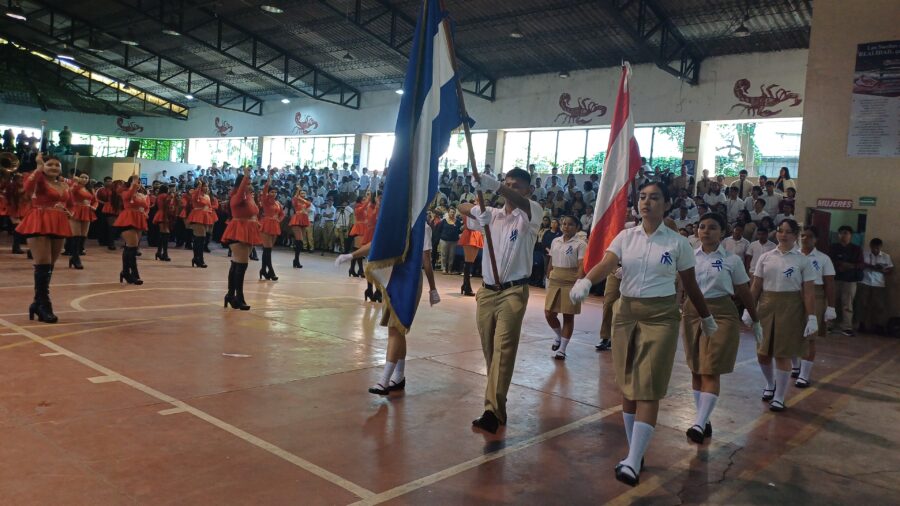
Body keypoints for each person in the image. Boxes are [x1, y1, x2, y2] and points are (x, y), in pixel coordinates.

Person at [569, 181, 717, 486]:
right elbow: (608, 263)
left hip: (661, 317)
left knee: (647, 386)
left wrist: (706, 317)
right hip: (626, 315)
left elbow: (690, 285)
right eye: (643, 197)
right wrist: (586, 281)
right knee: (629, 385)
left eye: (655, 198)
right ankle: (634, 450)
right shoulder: (626, 236)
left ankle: (634, 460)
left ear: (667, 204)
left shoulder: (678, 243)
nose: (647, 202)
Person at [457, 168, 543, 435]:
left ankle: (491, 411)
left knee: (503, 349)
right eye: (507, 184)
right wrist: (476, 210)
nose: (510, 189)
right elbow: (460, 207)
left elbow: (518, 202)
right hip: (487, 292)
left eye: (516, 186)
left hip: (513, 292)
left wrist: (495, 186)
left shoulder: (531, 213)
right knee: (490, 351)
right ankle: (497, 405)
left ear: (528, 190)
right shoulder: (491, 215)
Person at [334, 222, 441, 395]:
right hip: (393, 278)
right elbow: (377, 243)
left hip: (410, 280)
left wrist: (433, 289)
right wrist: (351, 255)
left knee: (396, 328)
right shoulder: (398, 220)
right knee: (398, 328)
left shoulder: (423, 227)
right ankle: (398, 376)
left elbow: (426, 260)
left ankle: (384, 380)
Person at [683, 213, 761, 443]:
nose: (706, 231)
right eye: (702, 227)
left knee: (711, 367)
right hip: (692, 312)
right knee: (696, 368)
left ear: (722, 232)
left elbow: (744, 291)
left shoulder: (732, 260)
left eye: (712, 227)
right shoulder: (688, 257)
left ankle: (698, 424)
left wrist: (755, 319)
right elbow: (680, 284)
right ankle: (703, 419)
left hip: (721, 313)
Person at [750, 219, 817, 412]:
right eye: (780, 231)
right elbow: (756, 286)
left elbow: (808, 292)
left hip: (791, 308)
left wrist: (812, 317)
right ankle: (770, 384)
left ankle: (779, 396)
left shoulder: (802, 260)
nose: (783, 235)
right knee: (762, 353)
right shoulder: (766, 257)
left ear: (795, 235)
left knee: (782, 353)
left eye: (788, 232)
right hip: (766, 306)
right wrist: (749, 309)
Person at [15, 154, 72, 323]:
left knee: (50, 265)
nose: (54, 167)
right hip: (39, 220)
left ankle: (37, 303)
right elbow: (27, 188)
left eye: (57, 165)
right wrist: (38, 168)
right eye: (50, 164)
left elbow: (70, 203)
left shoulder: (64, 184)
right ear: (43, 166)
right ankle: (45, 305)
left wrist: (69, 211)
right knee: (43, 264)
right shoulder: (38, 180)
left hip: (58, 222)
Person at [791, 226, 837, 387]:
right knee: (792, 334)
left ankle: (804, 375)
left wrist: (831, 307)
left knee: (809, 336)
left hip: (815, 296)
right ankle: (795, 366)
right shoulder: (792, 255)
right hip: (794, 295)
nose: (805, 239)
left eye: (809, 236)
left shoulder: (823, 259)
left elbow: (830, 284)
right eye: (802, 235)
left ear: (815, 240)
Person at [545, 216, 586, 360]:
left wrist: (579, 282)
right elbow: (551, 260)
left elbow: (581, 265)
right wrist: (547, 276)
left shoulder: (580, 244)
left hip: (570, 281)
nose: (566, 227)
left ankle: (562, 349)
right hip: (555, 279)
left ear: (577, 227)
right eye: (564, 224)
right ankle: (558, 335)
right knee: (549, 313)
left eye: (570, 224)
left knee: (568, 316)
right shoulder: (555, 241)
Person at [221, 167, 261, 310]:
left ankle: (231, 295)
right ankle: (239, 297)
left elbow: (254, 212)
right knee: (241, 265)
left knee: (237, 264)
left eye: (250, 183)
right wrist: (245, 176)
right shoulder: (236, 197)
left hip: (248, 231)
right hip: (238, 231)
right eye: (247, 183)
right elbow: (240, 193)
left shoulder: (249, 197)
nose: (250, 185)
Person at [112, 175, 149, 285]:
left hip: (139, 220)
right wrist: (133, 186)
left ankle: (126, 272)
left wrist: (145, 213)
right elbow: (127, 197)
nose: (138, 184)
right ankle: (133, 274)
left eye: (139, 182)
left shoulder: (141, 195)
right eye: (135, 182)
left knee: (132, 247)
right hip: (127, 219)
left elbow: (146, 206)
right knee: (132, 246)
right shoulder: (125, 192)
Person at [829, 225, 864, 336]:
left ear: (850, 235)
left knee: (847, 304)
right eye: (841, 233)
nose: (843, 235)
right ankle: (829, 324)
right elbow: (828, 261)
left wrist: (850, 266)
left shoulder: (856, 249)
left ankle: (847, 327)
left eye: (846, 233)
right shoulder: (833, 247)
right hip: (835, 279)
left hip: (850, 280)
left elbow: (861, 264)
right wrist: (839, 264)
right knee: (832, 303)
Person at [857, 238, 893, 334]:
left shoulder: (886, 256)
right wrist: (871, 266)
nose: (875, 250)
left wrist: (883, 270)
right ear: (870, 246)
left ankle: (877, 326)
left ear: (881, 247)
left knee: (879, 306)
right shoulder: (865, 254)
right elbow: (860, 265)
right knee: (863, 304)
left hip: (879, 283)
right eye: (873, 248)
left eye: (877, 248)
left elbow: (890, 269)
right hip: (865, 282)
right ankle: (861, 324)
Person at [66, 173, 97, 270]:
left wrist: (94, 207)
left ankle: (75, 256)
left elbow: (95, 200)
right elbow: (69, 194)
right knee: (76, 235)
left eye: (86, 177)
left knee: (83, 236)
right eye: (82, 177)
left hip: (87, 211)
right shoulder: (75, 186)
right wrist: (75, 183)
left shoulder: (90, 189)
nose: (84, 179)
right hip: (76, 210)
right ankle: (75, 258)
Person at [259, 172, 284, 280]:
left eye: (275, 192)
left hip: (275, 225)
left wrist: (279, 220)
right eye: (272, 192)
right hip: (266, 224)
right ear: (268, 193)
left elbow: (282, 214)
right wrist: (268, 182)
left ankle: (263, 270)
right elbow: (264, 191)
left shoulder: (278, 203)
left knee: (268, 250)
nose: (274, 193)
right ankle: (271, 271)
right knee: (267, 249)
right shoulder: (265, 200)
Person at [187, 180, 216, 268]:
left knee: (200, 239)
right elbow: (195, 197)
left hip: (205, 216)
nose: (206, 188)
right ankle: (199, 259)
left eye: (207, 186)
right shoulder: (196, 194)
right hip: (197, 216)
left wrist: (209, 212)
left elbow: (210, 206)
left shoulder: (207, 196)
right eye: (204, 186)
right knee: (200, 238)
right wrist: (199, 187)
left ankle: (196, 258)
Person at [458, 212, 484, 296]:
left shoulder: (479, 211)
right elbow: (467, 225)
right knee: (468, 262)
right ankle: (467, 287)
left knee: (470, 262)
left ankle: (464, 285)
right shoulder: (467, 212)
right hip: (469, 234)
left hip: (477, 234)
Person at [289, 188, 313, 268]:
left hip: (304, 220)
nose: (303, 195)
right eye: (301, 193)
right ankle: (296, 260)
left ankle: (296, 260)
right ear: (298, 194)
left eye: (304, 193)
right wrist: (297, 191)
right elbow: (295, 199)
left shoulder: (306, 202)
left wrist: (301, 199)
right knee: (299, 240)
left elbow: (309, 204)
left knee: (301, 241)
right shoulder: (296, 200)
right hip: (296, 219)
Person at [346, 194, 368, 276]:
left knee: (358, 251)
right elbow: (363, 208)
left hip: (363, 229)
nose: (365, 201)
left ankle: (353, 269)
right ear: (360, 201)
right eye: (363, 199)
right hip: (358, 229)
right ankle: (360, 270)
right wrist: (369, 199)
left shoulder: (364, 208)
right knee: (358, 250)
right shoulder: (358, 208)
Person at [151, 185, 174, 261]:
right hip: (164, 214)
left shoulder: (159, 196)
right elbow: (168, 205)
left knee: (162, 234)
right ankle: (164, 254)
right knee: (165, 234)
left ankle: (159, 252)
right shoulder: (165, 196)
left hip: (160, 214)